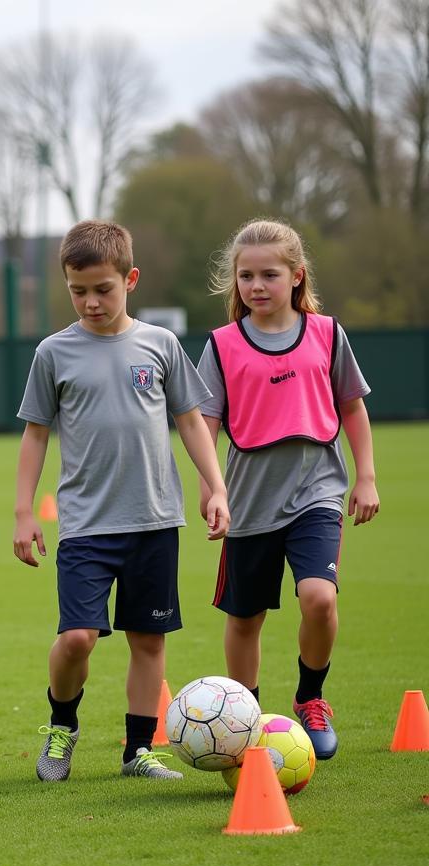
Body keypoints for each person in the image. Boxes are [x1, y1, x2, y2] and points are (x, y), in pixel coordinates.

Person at [14, 220, 230, 782]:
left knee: (148, 639)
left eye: (102, 289)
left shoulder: (160, 345)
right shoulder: (53, 352)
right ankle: (62, 729)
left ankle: (138, 753)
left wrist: (216, 486)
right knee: (78, 637)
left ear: (130, 280)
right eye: (77, 290)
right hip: (86, 524)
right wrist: (22, 511)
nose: (90, 301)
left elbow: (190, 420)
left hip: (155, 519)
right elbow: (35, 434)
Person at [197, 218, 379, 759]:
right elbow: (202, 424)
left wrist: (365, 477)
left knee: (319, 598)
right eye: (246, 275)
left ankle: (310, 699)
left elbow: (352, 407)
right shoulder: (222, 345)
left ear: (296, 276)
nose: (256, 285)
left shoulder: (326, 333)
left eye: (269, 275)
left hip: (316, 494)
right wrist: (213, 490)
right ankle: (245, 721)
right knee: (245, 618)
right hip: (248, 504)